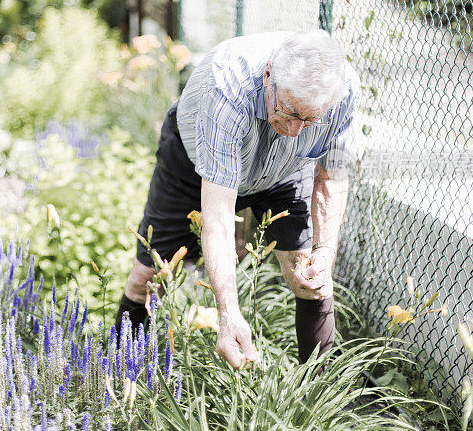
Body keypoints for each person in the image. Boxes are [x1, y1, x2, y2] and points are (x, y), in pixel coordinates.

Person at [115, 29, 360, 369]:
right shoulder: (227, 87)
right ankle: (115, 371)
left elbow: (331, 177)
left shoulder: (342, 92)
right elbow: (217, 217)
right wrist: (228, 313)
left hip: (284, 170)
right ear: (269, 76)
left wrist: (324, 252)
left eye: (310, 120)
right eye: (289, 112)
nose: (294, 131)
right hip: (192, 164)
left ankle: (318, 396)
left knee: (309, 277)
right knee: (147, 277)